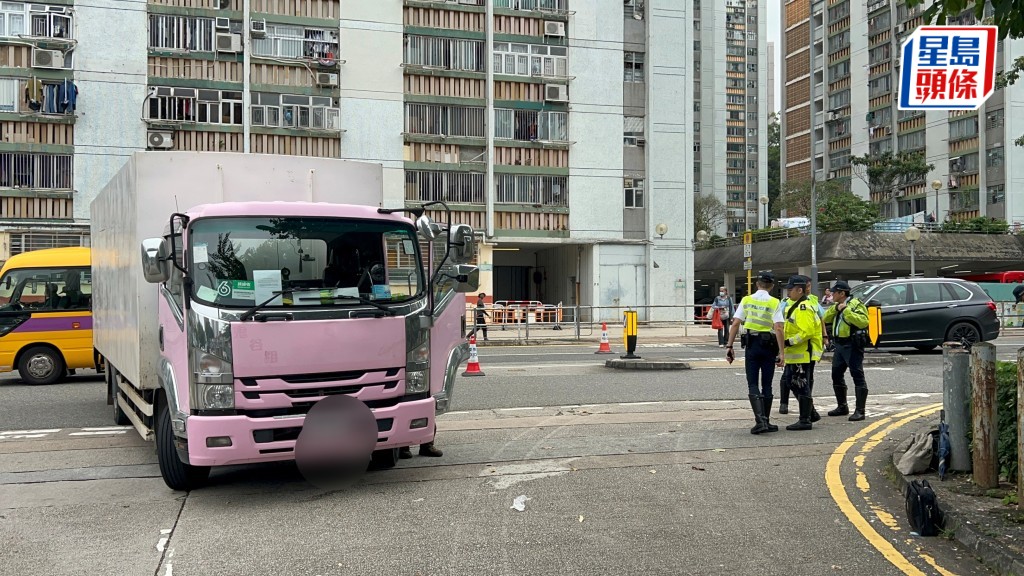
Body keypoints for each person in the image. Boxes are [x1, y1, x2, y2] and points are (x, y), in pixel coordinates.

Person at [725, 271, 785, 434]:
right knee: (767, 383)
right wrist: (782, 353)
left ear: (757, 284)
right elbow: (778, 327)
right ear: (771, 286)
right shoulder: (774, 302)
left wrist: (729, 346)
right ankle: (766, 421)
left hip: (752, 345)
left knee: (753, 383)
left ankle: (760, 422)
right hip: (769, 346)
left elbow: (736, 323)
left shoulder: (747, 300)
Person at [777, 275, 826, 420]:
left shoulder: (804, 307)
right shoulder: (794, 305)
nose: (788, 292)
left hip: (803, 352)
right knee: (791, 381)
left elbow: (807, 332)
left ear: (799, 290)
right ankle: (811, 413)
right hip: (796, 353)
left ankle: (805, 419)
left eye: (790, 290)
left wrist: (789, 342)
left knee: (801, 384)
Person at [823, 280, 871, 421]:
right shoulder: (837, 305)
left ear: (842, 293)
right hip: (839, 344)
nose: (831, 295)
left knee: (857, 375)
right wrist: (836, 308)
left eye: (834, 292)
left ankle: (860, 410)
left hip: (852, 344)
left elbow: (863, 321)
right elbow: (825, 318)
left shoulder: (856, 304)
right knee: (836, 374)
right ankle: (842, 406)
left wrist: (846, 310)